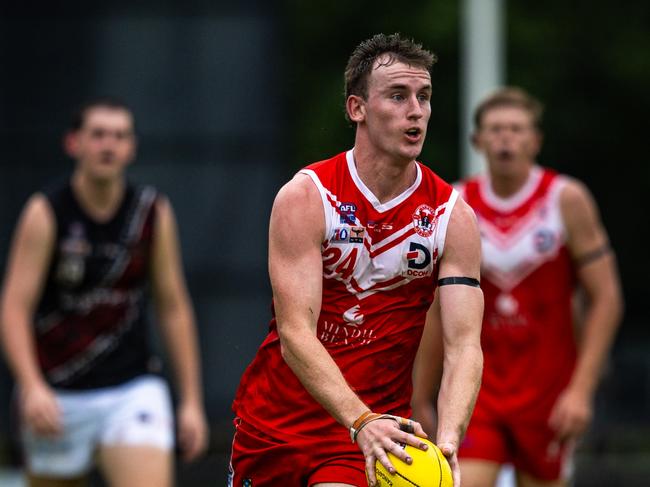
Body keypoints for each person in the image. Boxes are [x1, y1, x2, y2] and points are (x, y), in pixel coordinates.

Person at [228, 33, 484, 487]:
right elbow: (294, 334)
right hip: (276, 427)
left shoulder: (451, 215)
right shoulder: (307, 197)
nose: (416, 111)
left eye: (423, 97)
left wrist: (448, 437)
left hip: (375, 438)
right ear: (356, 109)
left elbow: (463, 345)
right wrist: (358, 419)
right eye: (398, 95)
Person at [412, 87, 623, 487]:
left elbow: (607, 298)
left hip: (548, 393)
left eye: (516, 129)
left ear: (535, 140)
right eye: (495, 129)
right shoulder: (455, 204)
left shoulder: (566, 200)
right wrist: (421, 394)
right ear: (478, 140)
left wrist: (581, 390)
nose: (506, 138)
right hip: (479, 389)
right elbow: (436, 307)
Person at [0, 98, 209, 487]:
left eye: (119, 136)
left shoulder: (151, 212)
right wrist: (30, 388)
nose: (108, 145)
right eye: (97, 135)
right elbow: (14, 307)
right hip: (56, 394)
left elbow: (173, 306)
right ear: (73, 143)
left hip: (131, 388)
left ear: (131, 148)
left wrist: (192, 402)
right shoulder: (46, 212)